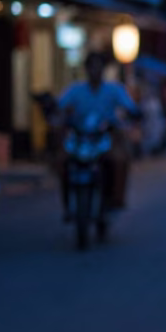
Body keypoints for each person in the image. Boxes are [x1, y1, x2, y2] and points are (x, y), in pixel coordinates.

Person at [58, 52, 140, 215]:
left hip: (105, 137)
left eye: (98, 67)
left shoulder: (114, 89)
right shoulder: (76, 90)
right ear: (86, 69)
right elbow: (59, 106)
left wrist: (134, 114)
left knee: (119, 160)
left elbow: (130, 107)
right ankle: (67, 203)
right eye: (91, 67)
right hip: (80, 138)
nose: (95, 70)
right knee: (62, 161)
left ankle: (115, 199)